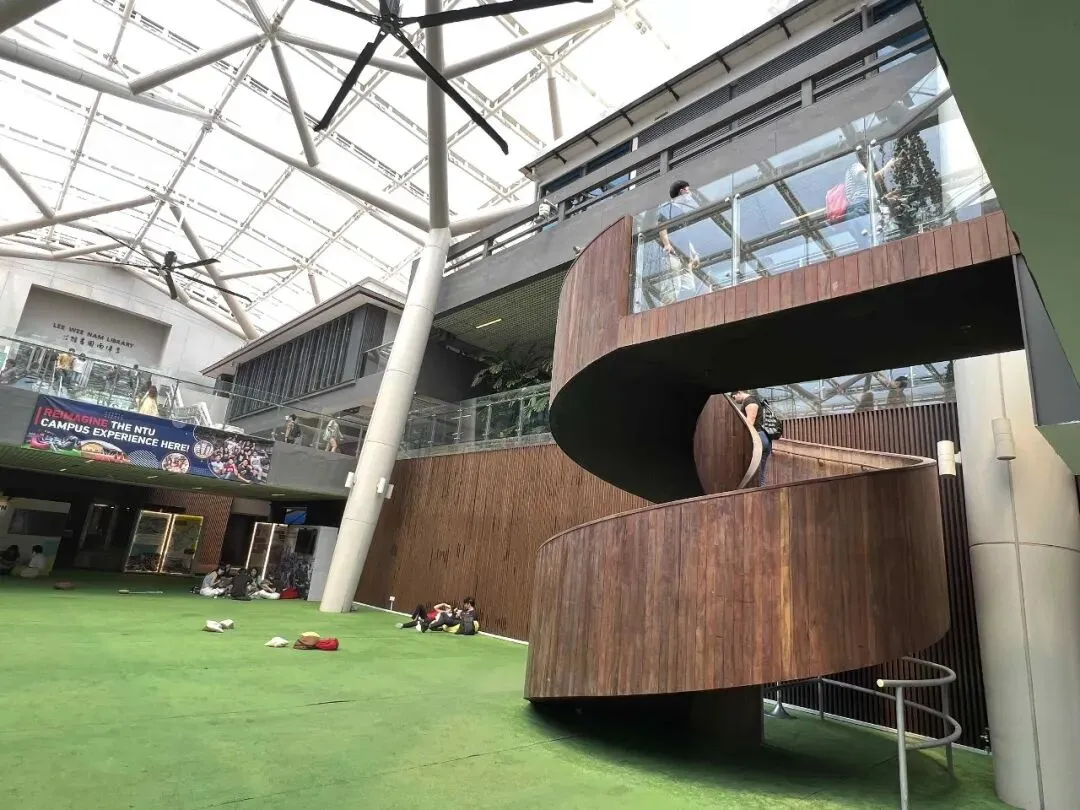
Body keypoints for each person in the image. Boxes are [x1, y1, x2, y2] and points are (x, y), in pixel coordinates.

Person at [652, 180, 708, 305]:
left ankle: (683, 312)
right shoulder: (667, 207)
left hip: (684, 256)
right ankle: (666, 313)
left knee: (689, 288)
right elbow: (662, 226)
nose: (690, 193)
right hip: (672, 254)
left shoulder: (683, 211)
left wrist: (694, 253)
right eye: (688, 190)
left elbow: (686, 235)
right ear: (682, 191)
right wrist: (667, 244)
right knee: (671, 288)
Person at [732, 391, 783, 487]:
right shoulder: (756, 399)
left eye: (734, 397)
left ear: (739, 392)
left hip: (758, 438)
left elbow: (750, 423)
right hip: (765, 437)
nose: (735, 400)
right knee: (761, 473)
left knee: (753, 473)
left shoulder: (749, 401)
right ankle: (761, 490)